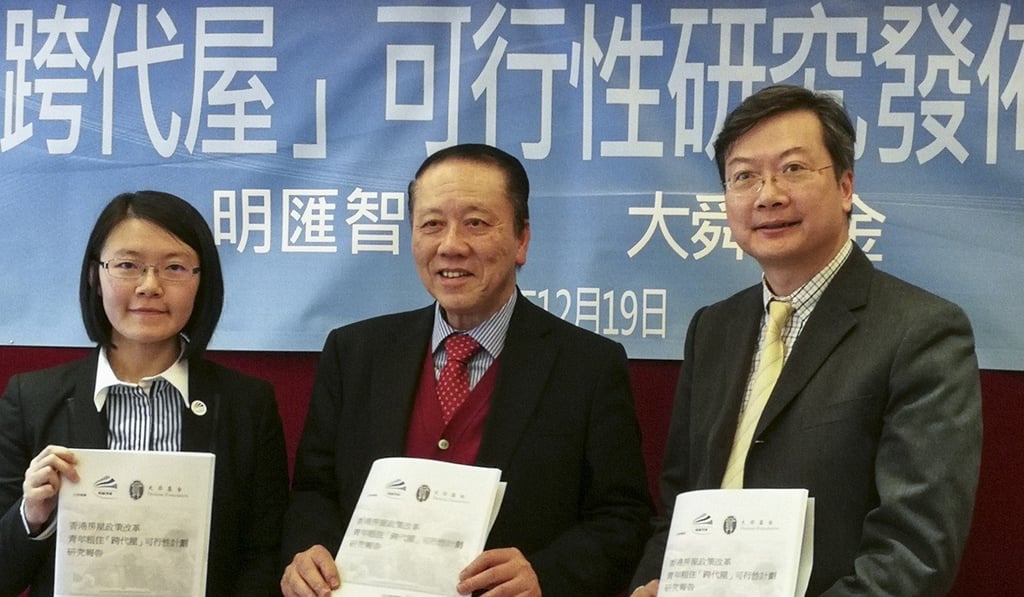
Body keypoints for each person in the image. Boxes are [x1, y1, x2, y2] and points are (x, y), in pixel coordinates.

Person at [630, 84, 983, 596]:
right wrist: (649, 585)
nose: (768, 195)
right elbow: (679, 506)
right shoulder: (712, 329)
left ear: (845, 186)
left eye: (793, 168)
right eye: (744, 176)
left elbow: (914, 552)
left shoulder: (922, 331)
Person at [280, 143, 653, 597]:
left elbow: (623, 517)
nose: (451, 246)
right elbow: (313, 492)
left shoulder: (588, 366)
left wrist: (545, 575)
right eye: (431, 224)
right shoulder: (355, 353)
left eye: (476, 223)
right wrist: (309, 553)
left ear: (521, 239)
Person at [0, 190, 290, 596]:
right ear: (95, 276)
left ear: (201, 281)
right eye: (127, 265)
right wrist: (31, 515)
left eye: (174, 267)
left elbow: (263, 554)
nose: (150, 286)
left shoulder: (247, 405)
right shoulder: (31, 399)